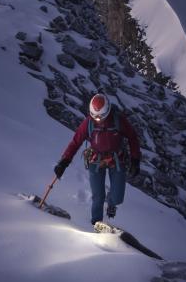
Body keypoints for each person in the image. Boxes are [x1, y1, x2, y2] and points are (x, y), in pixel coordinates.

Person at [53, 93, 142, 225]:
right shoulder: (88, 122)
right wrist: (64, 161)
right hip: (96, 159)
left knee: (117, 197)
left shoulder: (118, 120)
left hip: (116, 159)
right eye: (95, 116)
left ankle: (111, 203)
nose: (98, 120)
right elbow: (75, 142)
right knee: (97, 196)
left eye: (101, 116)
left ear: (107, 111)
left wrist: (135, 160)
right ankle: (96, 223)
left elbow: (132, 137)